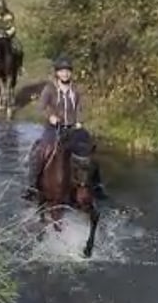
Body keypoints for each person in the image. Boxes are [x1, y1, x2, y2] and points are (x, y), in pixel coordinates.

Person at [22, 55, 106, 200]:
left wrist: (80, 121)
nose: (65, 74)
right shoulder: (50, 89)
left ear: (71, 73)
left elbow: (81, 108)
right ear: (57, 73)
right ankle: (32, 186)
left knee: (89, 151)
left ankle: (97, 186)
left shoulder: (76, 89)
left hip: (73, 128)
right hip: (54, 128)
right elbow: (41, 108)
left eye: (67, 71)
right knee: (40, 152)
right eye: (62, 71)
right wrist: (51, 117)